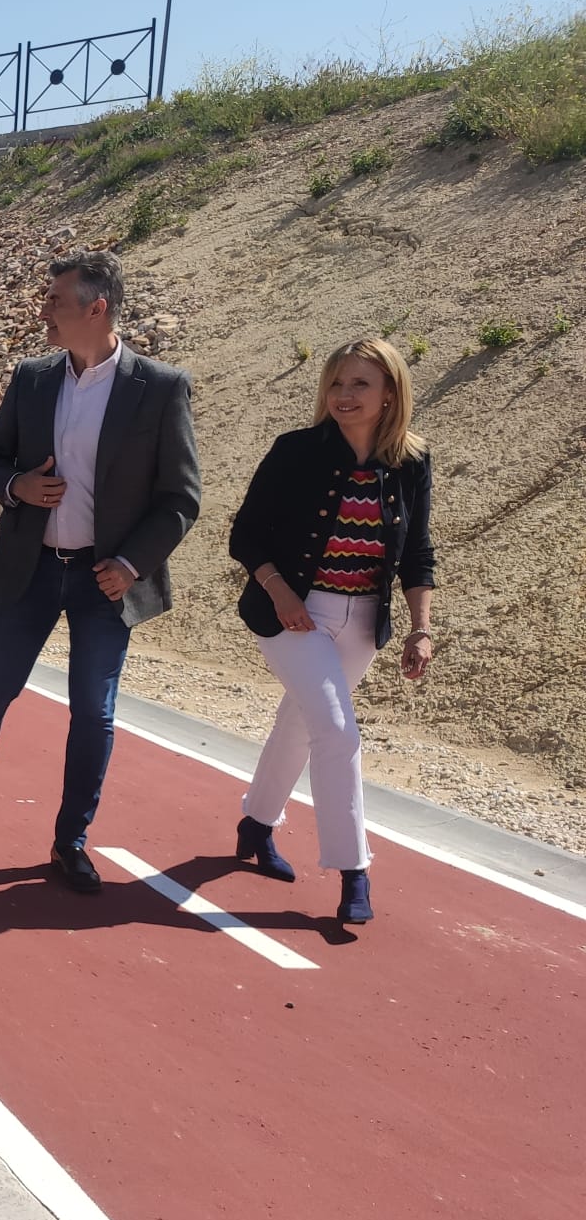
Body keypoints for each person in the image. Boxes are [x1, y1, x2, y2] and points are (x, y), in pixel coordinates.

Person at [0, 250, 201, 893]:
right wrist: (16, 487)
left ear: (97, 310)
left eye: (57, 302)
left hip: (106, 582)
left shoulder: (161, 388)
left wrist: (130, 565)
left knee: (93, 712)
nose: (45, 311)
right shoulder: (34, 378)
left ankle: (70, 840)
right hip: (32, 567)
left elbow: (181, 498)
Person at [227, 339, 435, 924]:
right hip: (293, 615)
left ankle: (256, 821)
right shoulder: (296, 451)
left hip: (364, 621)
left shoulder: (411, 461)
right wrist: (281, 590)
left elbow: (417, 552)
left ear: (390, 392)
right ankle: (354, 870)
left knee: (301, 722)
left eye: (360, 385)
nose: (343, 395)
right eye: (337, 383)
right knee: (338, 732)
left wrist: (421, 627)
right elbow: (245, 534)